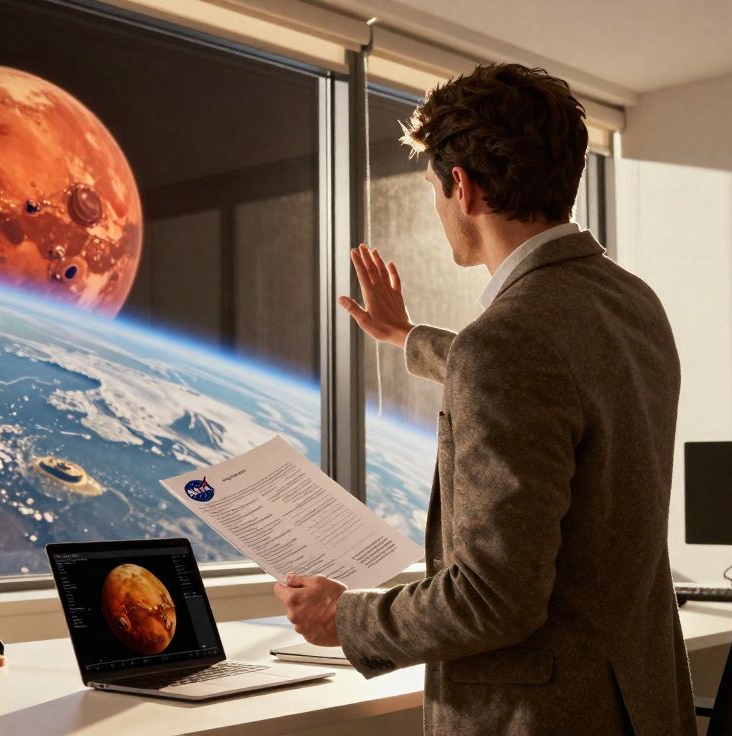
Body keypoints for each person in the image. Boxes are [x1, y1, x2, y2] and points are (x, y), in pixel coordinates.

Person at [274, 64, 693, 735]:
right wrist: (409, 337)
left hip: (543, 716)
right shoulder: (632, 303)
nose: (439, 210)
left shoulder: (509, 340)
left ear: (462, 188)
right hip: (637, 705)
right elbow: (557, 379)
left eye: (435, 192)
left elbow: (494, 600)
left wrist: (344, 616)